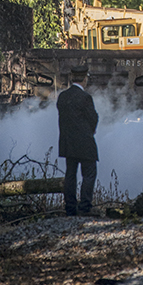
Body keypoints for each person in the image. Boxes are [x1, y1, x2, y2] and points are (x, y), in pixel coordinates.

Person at [57, 65, 98, 217]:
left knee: (70, 175)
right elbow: (93, 117)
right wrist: (91, 130)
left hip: (68, 143)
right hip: (85, 142)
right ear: (85, 78)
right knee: (89, 174)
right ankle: (85, 207)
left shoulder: (62, 96)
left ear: (72, 78)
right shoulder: (85, 97)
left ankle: (70, 208)